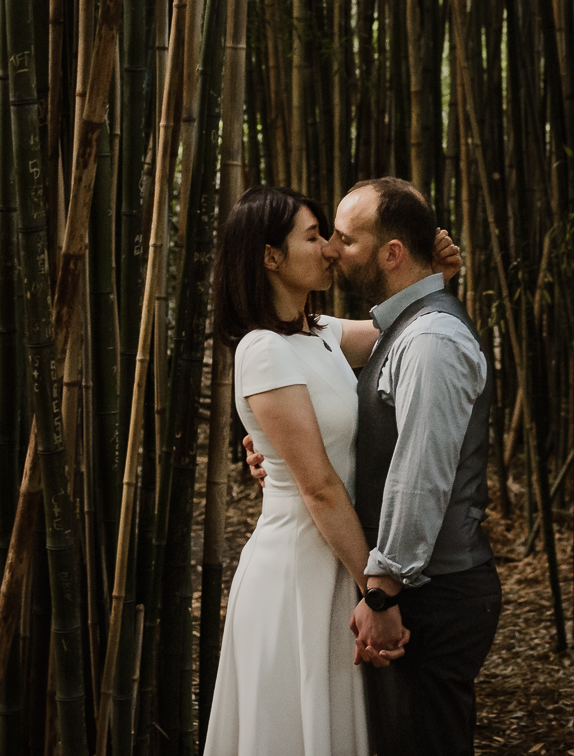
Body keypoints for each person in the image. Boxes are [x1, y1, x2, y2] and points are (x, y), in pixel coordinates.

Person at [199, 184, 466, 756]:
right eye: (314, 236)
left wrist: (433, 272)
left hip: (340, 556)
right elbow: (319, 488)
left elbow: (407, 328)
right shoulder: (263, 349)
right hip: (299, 565)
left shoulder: (321, 336)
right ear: (271, 256)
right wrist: (379, 597)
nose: (328, 250)